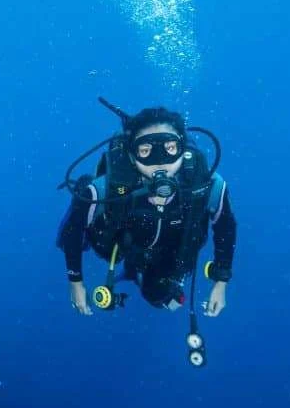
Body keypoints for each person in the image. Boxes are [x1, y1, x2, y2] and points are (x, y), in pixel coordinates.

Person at [57, 105, 237, 316]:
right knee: (75, 230)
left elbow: (225, 227)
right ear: (132, 156)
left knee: (160, 297)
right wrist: (75, 282)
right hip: (121, 243)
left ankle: (137, 275)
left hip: (169, 250)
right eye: (145, 151)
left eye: (170, 148)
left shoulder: (207, 185)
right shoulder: (105, 189)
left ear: (183, 150)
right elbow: (72, 230)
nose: (160, 162)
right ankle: (130, 267)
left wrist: (221, 282)